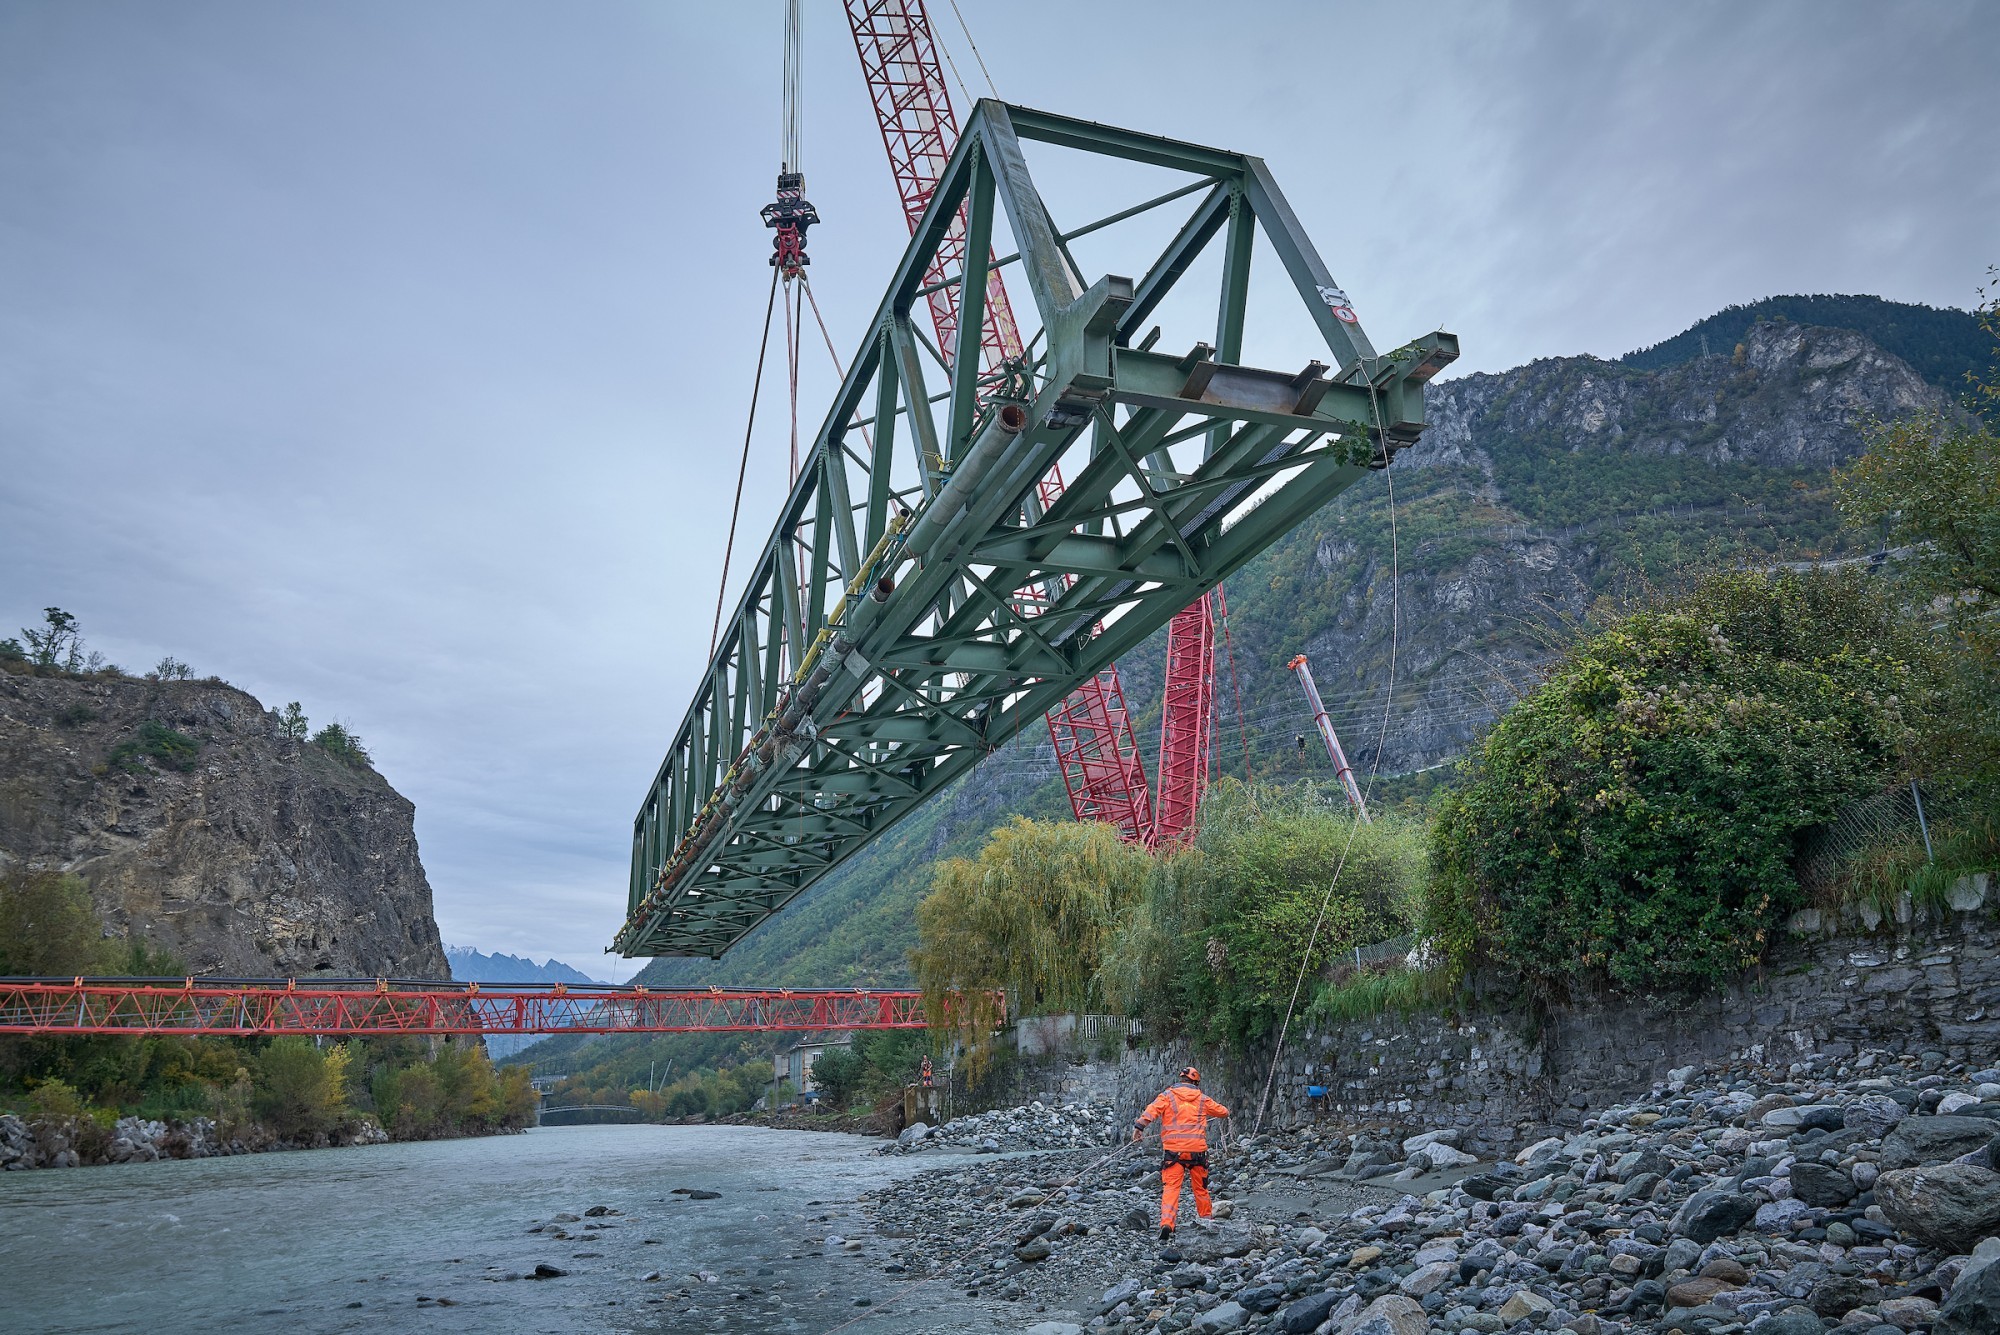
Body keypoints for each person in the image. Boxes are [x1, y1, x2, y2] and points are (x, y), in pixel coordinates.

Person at [1133, 1066, 1230, 1240]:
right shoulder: (1202, 1099)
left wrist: (1139, 1127)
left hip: (1174, 1152)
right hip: (1197, 1153)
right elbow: (1223, 1112)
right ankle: (1206, 1220)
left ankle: (1167, 1223)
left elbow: (1152, 1110)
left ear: (1181, 1080)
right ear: (1196, 1082)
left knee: (1171, 1188)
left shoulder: (1167, 1096)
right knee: (1201, 1189)